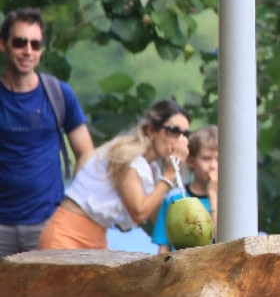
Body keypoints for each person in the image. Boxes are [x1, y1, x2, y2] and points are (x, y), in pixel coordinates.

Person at [0, 7, 95, 297]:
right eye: (20, 42)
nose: (28, 50)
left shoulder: (58, 94)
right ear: (4, 45)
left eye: (35, 44)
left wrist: (71, 203)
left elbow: (86, 151)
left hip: (46, 222)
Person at [38, 99, 190, 250]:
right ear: (151, 131)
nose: (180, 140)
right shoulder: (127, 156)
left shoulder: (152, 168)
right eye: (174, 131)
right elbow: (139, 212)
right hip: (68, 233)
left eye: (185, 134)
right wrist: (169, 175)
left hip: (97, 236)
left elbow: (156, 215)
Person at [151, 125, 219, 254]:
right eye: (206, 158)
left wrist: (213, 195)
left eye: (218, 159)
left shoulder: (228, 200)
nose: (213, 166)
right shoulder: (174, 198)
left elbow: (224, 241)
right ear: (191, 161)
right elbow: (163, 247)